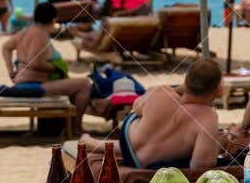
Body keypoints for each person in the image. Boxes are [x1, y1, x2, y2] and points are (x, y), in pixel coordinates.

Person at [77, 57, 224, 171]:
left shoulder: (161, 92)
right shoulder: (208, 117)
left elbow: (136, 107)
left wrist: (179, 90)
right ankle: (93, 143)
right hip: (153, 165)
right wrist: (217, 144)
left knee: (150, 133)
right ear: (218, 90)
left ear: (185, 81)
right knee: (162, 145)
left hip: (128, 141)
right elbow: (200, 165)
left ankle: (91, 142)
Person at [0, 2, 93, 115]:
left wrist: (10, 69)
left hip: (24, 81)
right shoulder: (40, 34)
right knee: (85, 84)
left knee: (73, 85)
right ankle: (75, 128)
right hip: (36, 83)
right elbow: (35, 62)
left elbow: (6, 47)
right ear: (54, 19)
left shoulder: (24, 32)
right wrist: (57, 69)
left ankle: (64, 125)